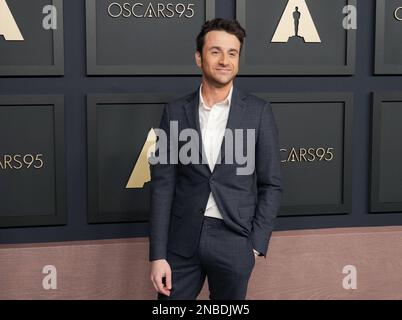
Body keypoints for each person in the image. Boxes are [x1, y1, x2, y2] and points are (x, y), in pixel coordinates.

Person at [149, 18, 283, 300]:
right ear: (199, 57)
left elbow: (271, 184)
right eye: (215, 51)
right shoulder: (174, 112)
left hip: (234, 241)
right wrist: (158, 254)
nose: (225, 60)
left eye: (232, 53)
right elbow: (162, 185)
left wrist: (256, 244)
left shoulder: (258, 112)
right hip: (181, 243)